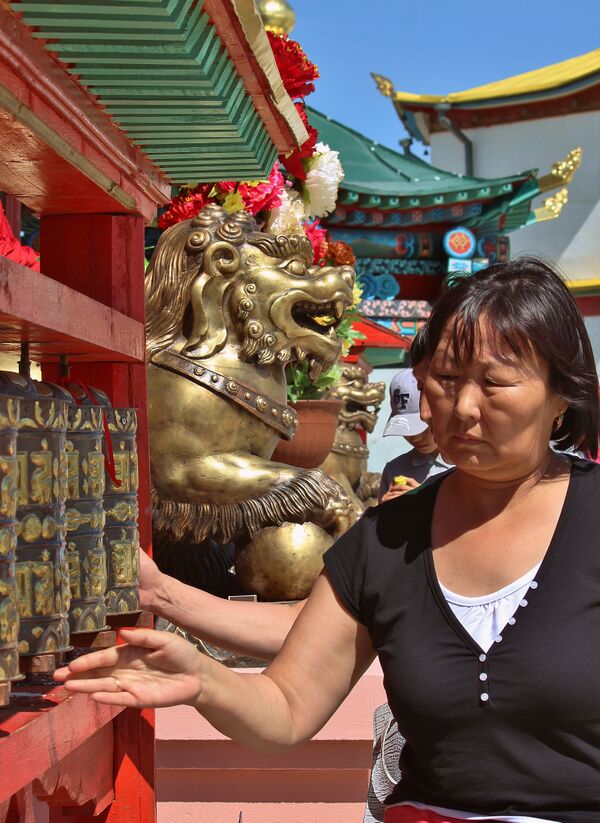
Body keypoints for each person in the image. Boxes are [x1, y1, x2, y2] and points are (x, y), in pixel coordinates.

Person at [55, 257, 600, 823]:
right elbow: (288, 706)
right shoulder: (386, 539)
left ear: (562, 394)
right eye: (446, 377)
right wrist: (202, 679)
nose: (462, 407)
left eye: (494, 382)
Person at [379, 364, 452, 503]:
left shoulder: (468, 467)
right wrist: (384, 509)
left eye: (421, 428)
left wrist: (423, 499)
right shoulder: (395, 469)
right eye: (405, 430)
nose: (415, 437)